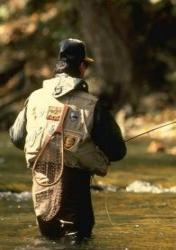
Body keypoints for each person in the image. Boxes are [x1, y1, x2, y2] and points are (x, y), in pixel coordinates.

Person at [9, 38, 126, 243]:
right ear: (81, 67)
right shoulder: (92, 106)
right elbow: (118, 151)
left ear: (59, 66)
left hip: (41, 194)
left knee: (48, 241)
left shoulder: (35, 98)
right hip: (75, 197)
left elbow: (17, 138)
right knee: (77, 240)